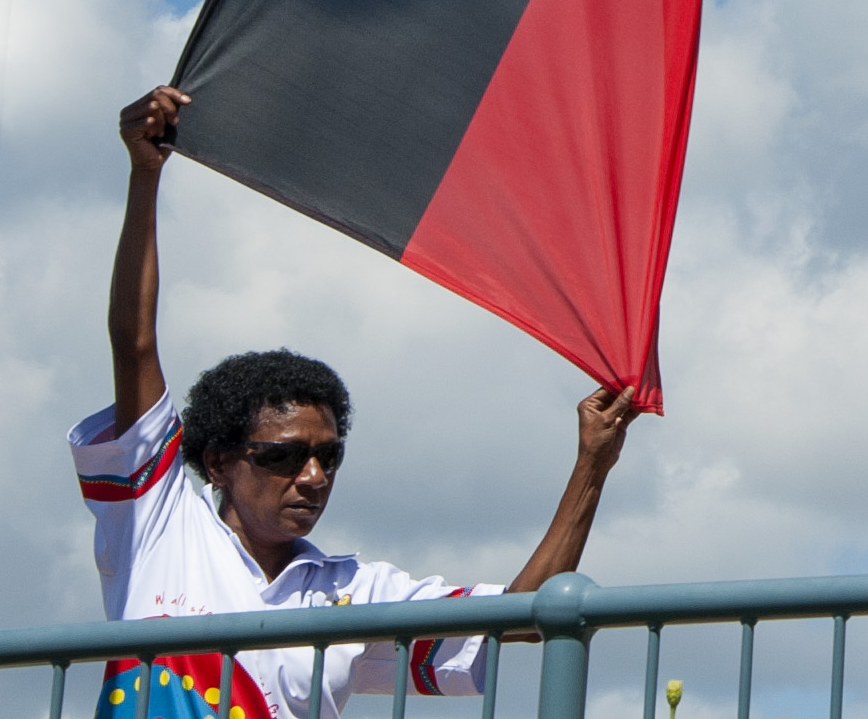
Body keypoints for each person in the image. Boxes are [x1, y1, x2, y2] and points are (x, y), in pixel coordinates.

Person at [70, 85, 640, 719]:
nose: (312, 478)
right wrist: (144, 175)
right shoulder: (158, 522)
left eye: (328, 457)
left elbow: (524, 619)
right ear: (217, 462)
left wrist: (593, 463)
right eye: (282, 457)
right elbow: (135, 344)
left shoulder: (352, 592)